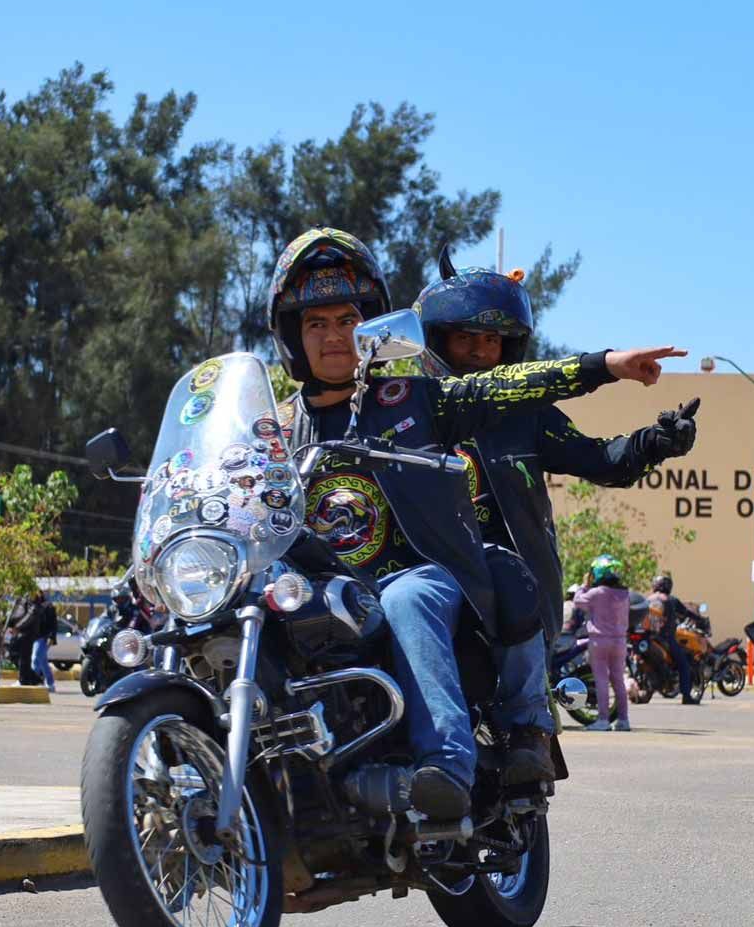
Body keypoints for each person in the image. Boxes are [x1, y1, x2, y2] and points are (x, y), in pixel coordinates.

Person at [271, 227, 683, 817]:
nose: (334, 336)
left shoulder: (414, 397)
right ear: (291, 335)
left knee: (420, 596)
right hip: (323, 586)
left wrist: (606, 366)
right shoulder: (276, 428)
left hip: (422, 574)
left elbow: (510, 389)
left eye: (346, 321)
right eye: (316, 324)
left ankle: (451, 761)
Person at [415, 260, 700, 655]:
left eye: (492, 340)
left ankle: (530, 713)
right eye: (465, 338)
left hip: (511, 590)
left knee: (524, 683)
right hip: (425, 580)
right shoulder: (403, 411)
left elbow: (601, 460)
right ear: (436, 339)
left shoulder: (524, 414)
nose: (479, 352)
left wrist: (655, 442)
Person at [573, 556, 632, 731]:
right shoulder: (624, 594)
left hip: (600, 641)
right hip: (620, 641)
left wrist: (584, 584)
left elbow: (578, 601)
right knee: (618, 681)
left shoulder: (596, 593)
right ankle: (623, 720)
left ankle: (603, 719)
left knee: (601, 680)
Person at [646, 574, 704, 705]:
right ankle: (686, 696)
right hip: (665, 639)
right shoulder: (670, 599)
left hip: (649, 637)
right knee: (684, 664)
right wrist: (699, 618)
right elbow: (686, 612)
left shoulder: (648, 599)